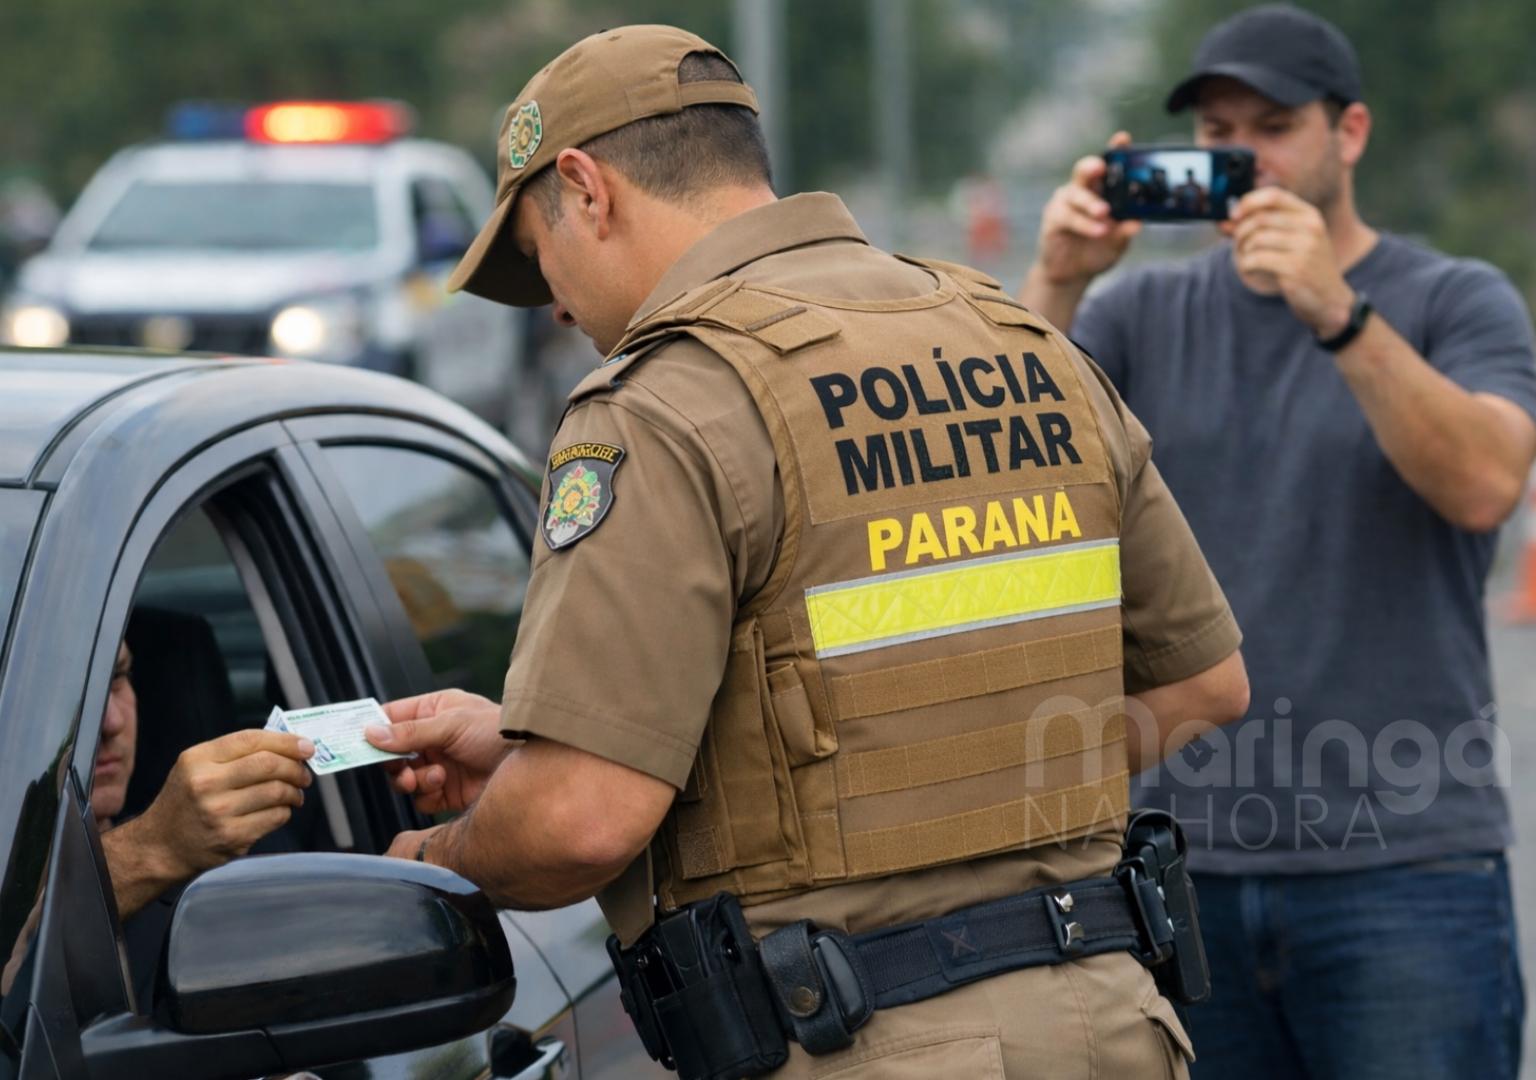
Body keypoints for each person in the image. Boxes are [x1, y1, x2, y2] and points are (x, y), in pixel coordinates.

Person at [368, 24, 1248, 1077]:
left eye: (537, 252)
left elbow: (581, 820)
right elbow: (1203, 684)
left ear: (587, 188)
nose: (553, 302)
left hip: (862, 1040)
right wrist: (527, 752)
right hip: (1116, 1025)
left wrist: (427, 866)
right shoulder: (1023, 342)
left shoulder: (662, 405)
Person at [1019, 5, 1536, 1078]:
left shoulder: (1453, 298)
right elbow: (1017, 481)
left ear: (1349, 133)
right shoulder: (1139, 312)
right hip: (1177, 864)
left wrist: (1336, 314)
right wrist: (1062, 280)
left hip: (1405, 863)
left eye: (1273, 125)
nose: (1239, 156)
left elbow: (1487, 483)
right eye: (1216, 134)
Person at [94, 640, 315, 921]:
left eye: (117, 677)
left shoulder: (249, 852)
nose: (112, 722)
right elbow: (23, 939)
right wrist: (157, 847)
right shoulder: (190, 846)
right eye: (73, 692)